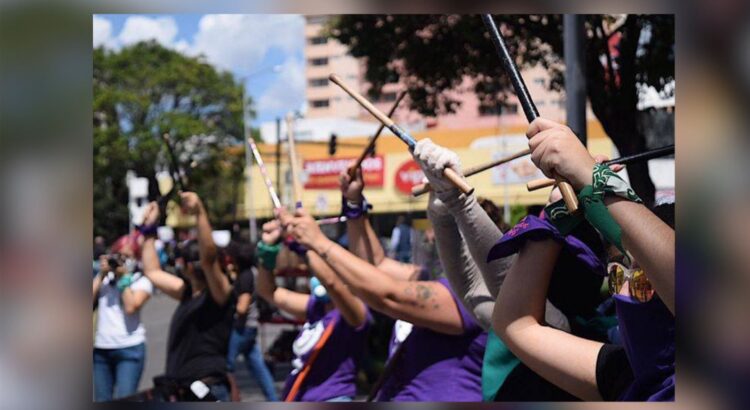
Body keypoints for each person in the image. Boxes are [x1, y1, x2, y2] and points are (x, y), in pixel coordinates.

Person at [489, 118, 675, 401]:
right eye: (617, 276)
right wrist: (557, 214)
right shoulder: (626, 379)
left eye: (641, 280)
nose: (622, 292)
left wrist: (594, 179)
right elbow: (517, 324)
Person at [284, 170, 487, 402]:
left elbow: (387, 295)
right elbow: (375, 263)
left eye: (443, 224)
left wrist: (318, 242)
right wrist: (353, 204)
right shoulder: (427, 278)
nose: (432, 234)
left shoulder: (470, 296)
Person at [256, 217, 371, 402]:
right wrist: (267, 252)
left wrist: (299, 244)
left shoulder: (356, 312)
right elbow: (268, 291)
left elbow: (332, 284)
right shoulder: (317, 308)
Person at [139, 193, 235, 401]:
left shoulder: (218, 294)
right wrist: (148, 230)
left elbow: (209, 258)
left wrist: (199, 212)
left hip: (207, 392)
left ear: (190, 266)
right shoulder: (188, 291)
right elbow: (152, 271)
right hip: (183, 391)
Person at [93, 235, 153, 401]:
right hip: (101, 349)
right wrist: (100, 275)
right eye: (118, 256)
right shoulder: (104, 280)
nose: (122, 261)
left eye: (127, 257)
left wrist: (123, 279)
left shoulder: (141, 281)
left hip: (129, 348)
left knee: (125, 399)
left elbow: (130, 307)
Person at [224, 242, 279, 401]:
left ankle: (230, 398)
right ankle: (273, 400)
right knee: (258, 367)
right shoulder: (251, 272)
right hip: (251, 326)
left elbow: (242, 307)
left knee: (227, 366)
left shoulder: (246, 276)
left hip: (243, 328)